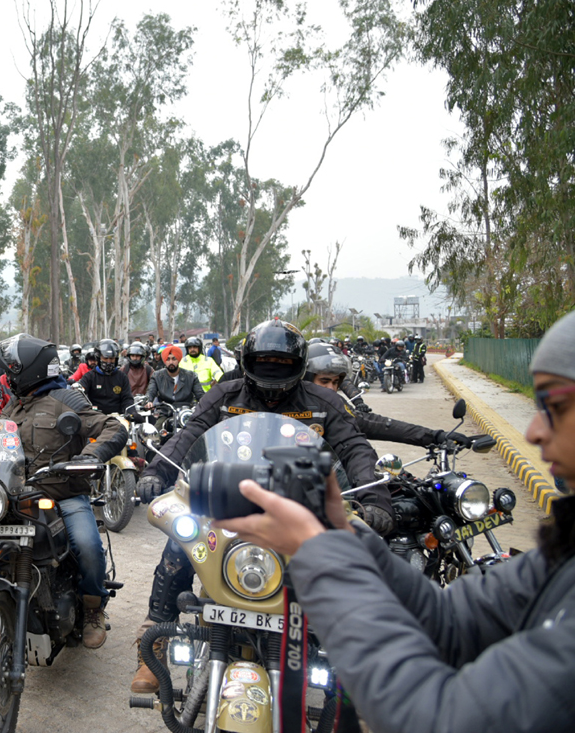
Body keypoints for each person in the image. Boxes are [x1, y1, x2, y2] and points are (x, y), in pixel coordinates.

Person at [213, 310, 575, 733]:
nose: (532, 431)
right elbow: (446, 621)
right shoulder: (561, 558)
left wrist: (322, 550)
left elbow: (435, 717)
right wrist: (345, 534)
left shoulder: (327, 405)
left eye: (555, 405)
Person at [129, 319, 393, 694]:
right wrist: (156, 472)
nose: (272, 371)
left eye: (282, 363)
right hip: (227, 508)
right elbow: (187, 436)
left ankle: (351, 661)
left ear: (298, 366)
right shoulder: (224, 394)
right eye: (264, 361)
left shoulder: (324, 402)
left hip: (300, 516)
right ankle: (153, 645)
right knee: (177, 550)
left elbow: (355, 448)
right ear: (247, 361)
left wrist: (374, 498)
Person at [0, 335, 127, 648]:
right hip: (17, 498)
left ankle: (93, 608)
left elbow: (113, 427)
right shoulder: (14, 406)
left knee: (88, 545)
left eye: (12, 369)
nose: (7, 376)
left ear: (29, 371)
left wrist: (92, 454)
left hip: (64, 496)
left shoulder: (67, 400)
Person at [304, 342, 470, 449]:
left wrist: (435, 436)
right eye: (324, 381)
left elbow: (379, 425)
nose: (331, 388)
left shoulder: (336, 406)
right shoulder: (286, 406)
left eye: (335, 383)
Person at [78, 339, 132, 414]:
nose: (108, 362)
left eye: (111, 359)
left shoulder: (122, 377)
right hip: (95, 418)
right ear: (98, 358)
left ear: (116, 359)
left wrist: (131, 412)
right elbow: (80, 394)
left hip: (118, 419)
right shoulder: (89, 377)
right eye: (105, 358)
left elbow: (127, 398)